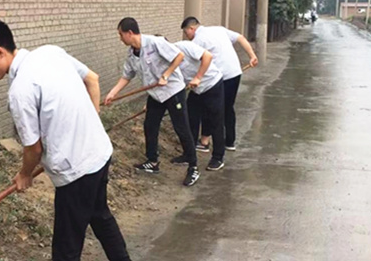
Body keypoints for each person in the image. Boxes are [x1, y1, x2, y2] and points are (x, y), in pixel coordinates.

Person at [0, 17, 142, 261]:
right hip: (99, 152)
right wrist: (89, 121)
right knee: (99, 213)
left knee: (66, 243)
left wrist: (24, 175)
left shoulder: (20, 90)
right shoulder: (50, 53)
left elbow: (33, 148)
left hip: (76, 169)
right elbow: (93, 80)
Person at [104, 17, 200, 187]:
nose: (120, 38)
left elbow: (179, 56)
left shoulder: (155, 42)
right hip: (156, 94)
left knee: (181, 127)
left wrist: (166, 75)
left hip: (172, 90)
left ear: (130, 33)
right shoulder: (132, 53)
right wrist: (112, 93)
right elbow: (127, 76)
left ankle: (193, 167)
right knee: (150, 124)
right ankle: (152, 161)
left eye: (120, 34)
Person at [180, 17, 258, 152]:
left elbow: (200, 61)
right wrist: (252, 55)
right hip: (235, 73)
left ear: (192, 28)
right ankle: (230, 141)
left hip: (220, 78)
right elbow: (240, 37)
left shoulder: (198, 41)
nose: (187, 37)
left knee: (211, 108)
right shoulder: (218, 29)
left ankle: (205, 141)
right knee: (228, 108)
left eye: (187, 33)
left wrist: (197, 78)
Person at [173, 40, 226, 170]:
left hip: (212, 84)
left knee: (215, 121)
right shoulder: (165, 61)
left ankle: (218, 157)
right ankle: (188, 154)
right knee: (190, 120)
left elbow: (208, 56)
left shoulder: (184, 46)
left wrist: (198, 77)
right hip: (196, 91)